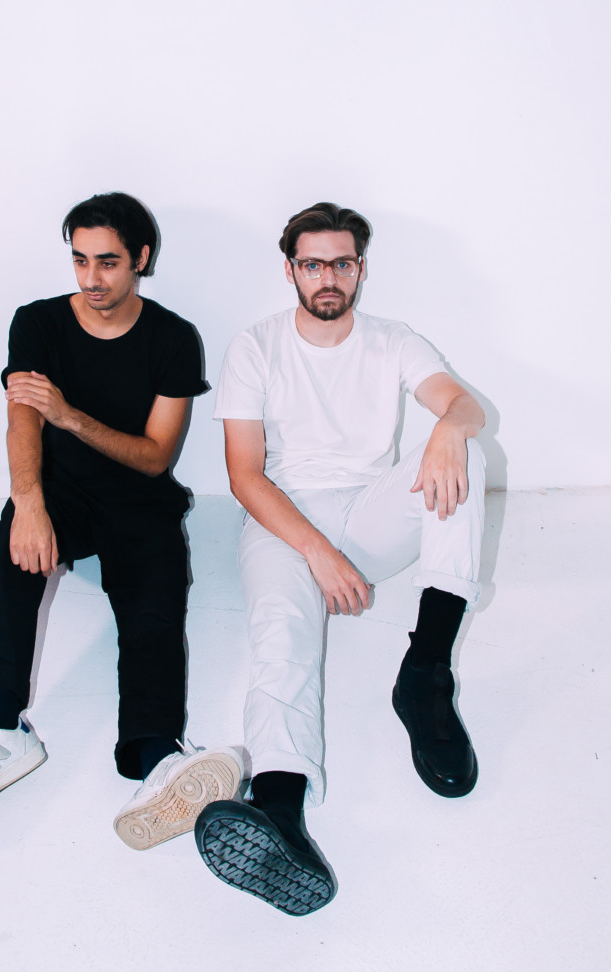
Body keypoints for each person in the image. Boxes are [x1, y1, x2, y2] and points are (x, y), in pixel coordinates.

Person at [0, 192, 241, 849]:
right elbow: (20, 420)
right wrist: (29, 506)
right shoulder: (36, 324)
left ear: (141, 260)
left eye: (109, 263)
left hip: (137, 502)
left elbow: (154, 458)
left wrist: (69, 415)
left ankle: (155, 763)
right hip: (58, 493)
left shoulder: (173, 339)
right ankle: (2, 731)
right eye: (81, 261)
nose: (92, 279)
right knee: (7, 552)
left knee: (152, 612)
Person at [195, 202, 487, 914]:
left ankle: (425, 675)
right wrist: (316, 551)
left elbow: (463, 404)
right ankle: (281, 810)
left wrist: (451, 426)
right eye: (313, 263)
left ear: (360, 267)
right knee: (279, 636)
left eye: (343, 262)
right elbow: (244, 476)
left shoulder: (392, 340)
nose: (329, 277)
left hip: (370, 515)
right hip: (282, 521)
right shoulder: (255, 347)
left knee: (469, 453)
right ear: (290, 268)